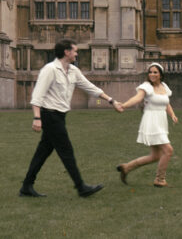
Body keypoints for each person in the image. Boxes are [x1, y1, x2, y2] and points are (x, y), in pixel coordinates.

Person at [19, 38, 124, 198]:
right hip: (49, 114)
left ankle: (27, 186)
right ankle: (81, 187)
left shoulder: (73, 71)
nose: (76, 53)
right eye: (74, 51)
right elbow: (37, 95)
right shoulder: (50, 69)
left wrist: (111, 100)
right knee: (66, 151)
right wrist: (36, 118)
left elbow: (90, 87)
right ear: (66, 52)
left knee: (43, 151)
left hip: (60, 116)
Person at [116, 62, 179, 187]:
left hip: (161, 121)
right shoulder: (146, 86)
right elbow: (137, 98)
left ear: (161, 75)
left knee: (155, 156)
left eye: (155, 72)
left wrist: (172, 115)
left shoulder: (164, 87)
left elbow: (166, 103)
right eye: (150, 72)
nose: (152, 74)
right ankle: (160, 179)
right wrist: (124, 105)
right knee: (168, 151)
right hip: (151, 121)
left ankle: (127, 167)